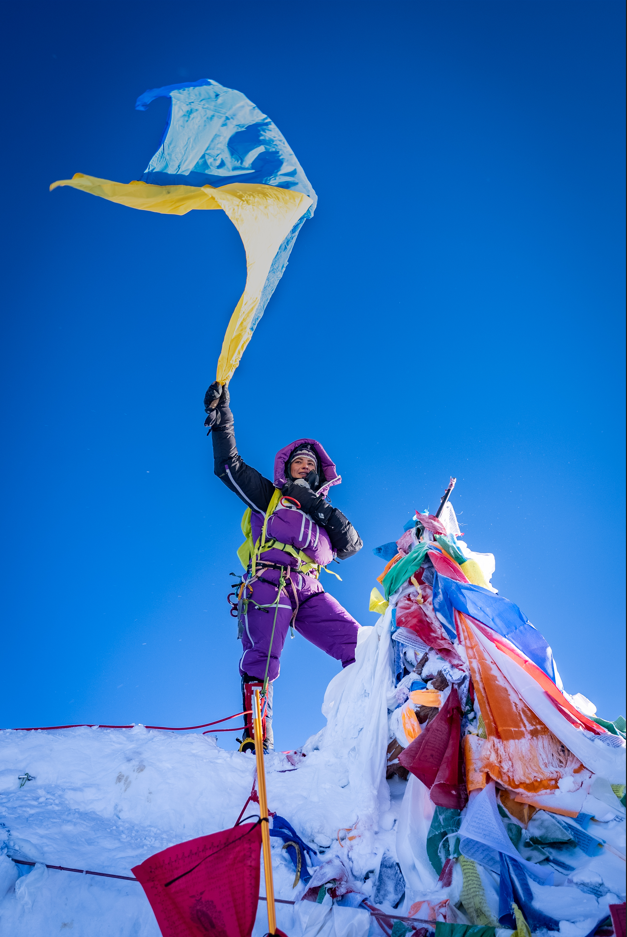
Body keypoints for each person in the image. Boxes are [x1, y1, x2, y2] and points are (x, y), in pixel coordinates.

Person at [204, 381, 363, 752]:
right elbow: (230, 467)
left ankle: (362, 725)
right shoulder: (268, 497)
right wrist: (222, 419)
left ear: (320, 474)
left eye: (310, 464)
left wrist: (315, 504)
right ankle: (256, 735)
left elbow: (351, 545)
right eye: (298, 462)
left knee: (359, 645)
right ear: (287, 468)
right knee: (263, 657)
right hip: (268, 583)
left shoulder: (326, 515)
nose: (304, 467)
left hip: (309, 589)